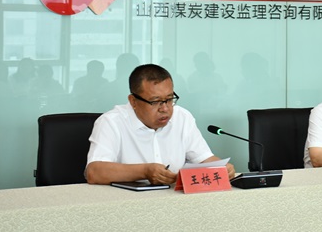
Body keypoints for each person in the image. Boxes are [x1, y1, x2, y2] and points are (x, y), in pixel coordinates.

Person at [86, 63, 236, 185]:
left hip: (174, 200)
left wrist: (222, 168)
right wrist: (145, 171)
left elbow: (204, 159)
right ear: (133, 101)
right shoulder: (111, 122)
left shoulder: (182, 117)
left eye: (169, 99)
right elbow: (94, 172)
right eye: (155, 101)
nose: (165, 108)